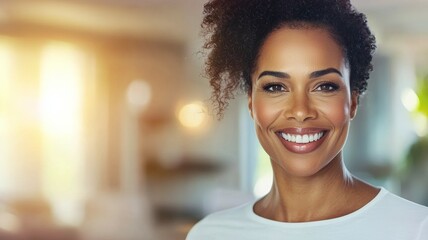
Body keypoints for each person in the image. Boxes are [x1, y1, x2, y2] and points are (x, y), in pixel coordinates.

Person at [186, 0, 428, 239]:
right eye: (275, 87)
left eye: (324, 86)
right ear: (251, 102)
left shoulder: (415, 229)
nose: (300, 111)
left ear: (353, 102)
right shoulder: (210, 234)